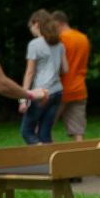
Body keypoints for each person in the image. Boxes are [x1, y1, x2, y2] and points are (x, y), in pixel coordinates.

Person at [18, 10, 67, 145]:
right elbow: (65, 69)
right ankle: (54, 163)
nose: (30, 30)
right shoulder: (59, 44)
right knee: (45, 134)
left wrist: (23, 99)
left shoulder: (34, 44)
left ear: (37, 24)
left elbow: (30, 73)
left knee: (26, 131)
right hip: (57, 92)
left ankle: (41, 157)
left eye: (30, 27)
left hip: (42, 93)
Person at [53, 11, 91, 140]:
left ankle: (44, 156)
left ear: (58, 23)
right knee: (78, 131)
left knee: (44, 128)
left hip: (61, 89)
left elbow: (58, 66)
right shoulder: (83, 38)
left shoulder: (60, 40)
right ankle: (81, 157)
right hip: (79, 89)